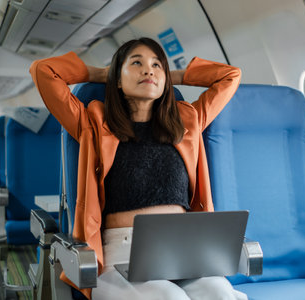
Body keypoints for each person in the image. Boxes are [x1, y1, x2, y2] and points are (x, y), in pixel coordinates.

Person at [30, 37, 245, 300]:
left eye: (156, 64)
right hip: (121, 258)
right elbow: (44, 71)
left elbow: (230, 76)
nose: (148, 70)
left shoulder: (188, 121)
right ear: (117, 79)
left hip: (184, 253)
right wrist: (103, 74)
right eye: (136, 63)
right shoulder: (93, 124)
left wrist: (169, 77)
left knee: (222, 294)